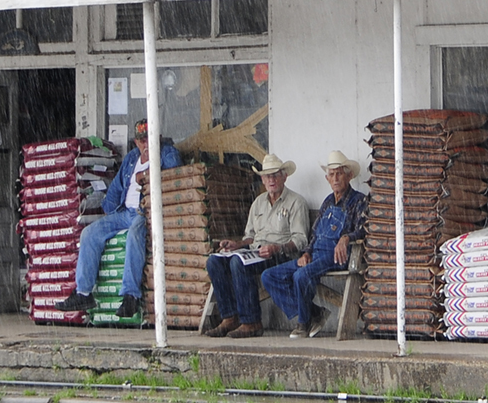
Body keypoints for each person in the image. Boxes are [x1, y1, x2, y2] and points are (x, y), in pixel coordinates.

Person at [55, 118, 181, 318]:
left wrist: (147, 172)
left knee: (134, 234)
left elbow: (175, 174)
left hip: (147, 212)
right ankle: (83, 293)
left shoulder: (167, 153)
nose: (145, 144)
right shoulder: (132, 158)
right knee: (89, 233)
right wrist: (107, 208)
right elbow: (116, 188)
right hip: (124, 212)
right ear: (136, 141)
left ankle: (130, 296)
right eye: (141, 140)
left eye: (149, 139)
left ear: (157, 138)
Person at [260, 150, 367, 338]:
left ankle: (303, 323)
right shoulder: (327, 201)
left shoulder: (359, 200)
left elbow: (364, 229)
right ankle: (313, 313)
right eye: (332, 174)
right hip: (316, 255)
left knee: (301, 275)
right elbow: (315, 233)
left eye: (340, 173)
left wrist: (346, 238)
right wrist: (306, 253)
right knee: (269, 276)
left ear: (349, 176)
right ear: (327, 179)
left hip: (337, 256)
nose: (336, 178)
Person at [203, 154, 309, 338]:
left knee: (238, 263)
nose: (271, 180)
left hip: (280, 255)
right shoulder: (258, 203)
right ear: (262, 179)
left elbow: (301, 240)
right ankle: (230, 317)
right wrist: (237, 245)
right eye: (267, 176)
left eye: (275, 175)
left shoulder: (296, 202)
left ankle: (251, 322)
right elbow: (250, 237)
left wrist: (277, 248)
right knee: (214, 261)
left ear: (284, 177)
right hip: (255, 252)